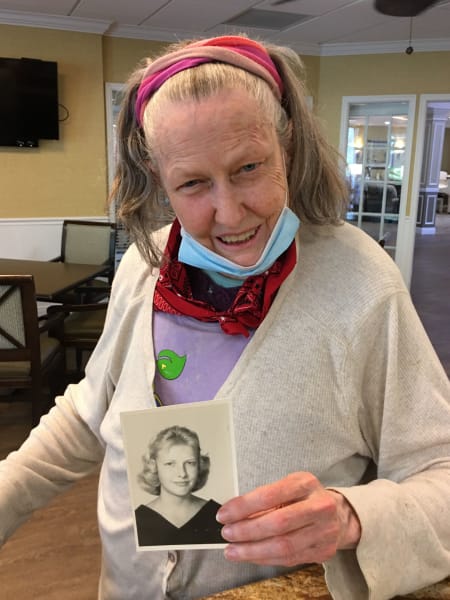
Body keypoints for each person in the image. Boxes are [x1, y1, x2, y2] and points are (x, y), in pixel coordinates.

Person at [0, 33, 449, 600]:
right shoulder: (147, 266)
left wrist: (351, 515)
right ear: (157, 178)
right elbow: (94, 411)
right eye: (192, 183)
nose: (231, 212)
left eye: (249, 167)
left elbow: (440, 471)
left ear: (287, 143)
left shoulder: (363, 286)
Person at [134, 425, 223, 546]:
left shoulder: (218, 514)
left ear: (199, 465)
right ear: (154, 466)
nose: (182, 473)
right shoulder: (139, 519)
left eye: (190, 463)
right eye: (170, 464)